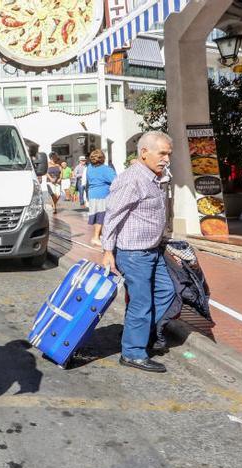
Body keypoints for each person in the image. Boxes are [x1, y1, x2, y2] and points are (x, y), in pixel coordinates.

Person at [101, 131, 176, 374]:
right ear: (144, 153)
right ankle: (133, 353)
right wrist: (107, 251)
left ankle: (138, 332)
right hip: (134, 253)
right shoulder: (132, 179)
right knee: (141, 302)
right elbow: (112, 216)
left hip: (153, 250)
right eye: (162, 153)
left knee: (168, 291)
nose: (166, 159)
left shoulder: (155, 177)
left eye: (169, 154)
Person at [86, 149, 117, 246]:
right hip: (103, 195)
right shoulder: (106, 169)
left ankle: (98, 235)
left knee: (96, 216)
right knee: (101, 216)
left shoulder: (89, 168)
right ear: (103, 158)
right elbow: (116, 181)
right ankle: (95, 237)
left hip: (92, 194)